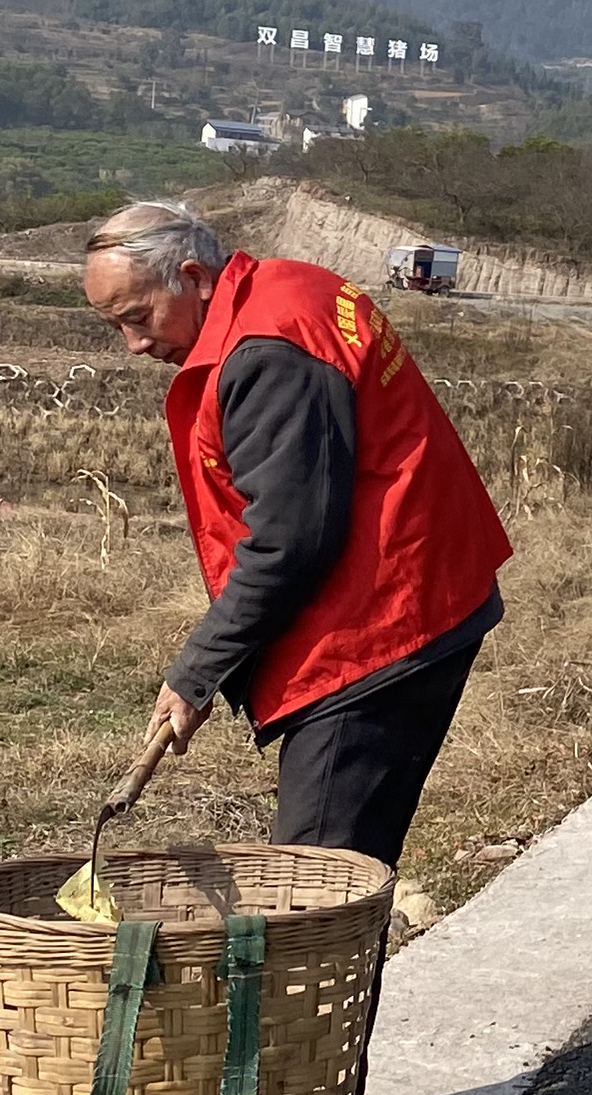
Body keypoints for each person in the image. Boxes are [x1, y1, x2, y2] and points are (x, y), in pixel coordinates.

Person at [82, 200, 514, 874]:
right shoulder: (283, 289)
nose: (135, 346)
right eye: (116, 326)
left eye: (138, 318)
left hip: (379, 631)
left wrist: (196, 673)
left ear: (194, 275)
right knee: (342, 876)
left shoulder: (265, 354)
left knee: (318, 885)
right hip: (416, 593)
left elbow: (289, 541)